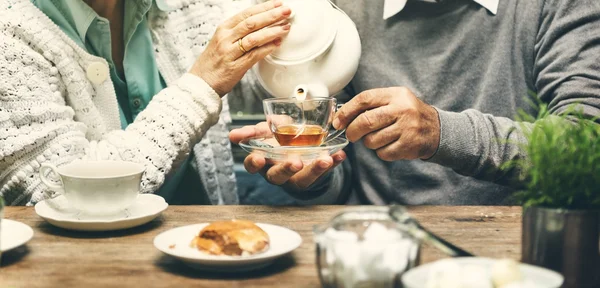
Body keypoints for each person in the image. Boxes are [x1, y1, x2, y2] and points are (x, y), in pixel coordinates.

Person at [230, 0, 600, 205]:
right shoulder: (344, 13)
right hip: (377, 247)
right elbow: (341, 165)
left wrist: (441, 133)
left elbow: (588, 150)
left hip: (515, 251)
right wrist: (313, 175)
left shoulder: (559, 6)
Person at [0, 0, 291, 206]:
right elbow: (55, 194)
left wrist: (304, 159)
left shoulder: (194, 7)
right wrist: (200, 86)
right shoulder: (10, 31)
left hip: (206, 255)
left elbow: (275, 84)